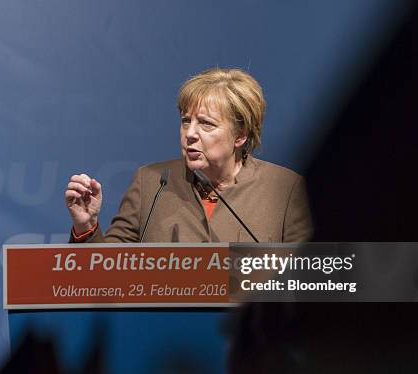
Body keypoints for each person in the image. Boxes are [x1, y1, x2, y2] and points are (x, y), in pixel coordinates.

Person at [65, 68, 312, 243]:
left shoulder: (285, 189)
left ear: (240, 136)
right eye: (185, 121)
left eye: (206, 124)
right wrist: (86, 226)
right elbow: (107, 274)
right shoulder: (151, 182)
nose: (190, 133)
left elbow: (313, 280)